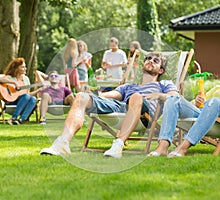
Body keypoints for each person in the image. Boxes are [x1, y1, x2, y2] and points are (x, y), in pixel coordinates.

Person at [40, 52, 179, 158]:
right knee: (82, 97)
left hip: (144, 114)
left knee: (136, 97)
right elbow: (109, 96)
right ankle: (62, 143)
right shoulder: (128, 86)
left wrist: (160, 95)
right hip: (121, 107)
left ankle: (118, 145)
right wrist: (93, 95)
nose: (150, 61)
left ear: (161, 70)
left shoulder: (164, 84)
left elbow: (175, 97)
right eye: (148, 58)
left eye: (156, 60)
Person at [148, 56, 220, 157]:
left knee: (215, 101)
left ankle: (183, 147)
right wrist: (197, 102)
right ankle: (163, 146)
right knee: (173, 98)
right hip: (204, 115)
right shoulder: (218, 88)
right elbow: (200, 104)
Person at [0, 58, 41, 125]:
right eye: (22, 67)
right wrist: (14, 83)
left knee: (33, 99)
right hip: (11, 101)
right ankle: (14, 118)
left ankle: (21, 120)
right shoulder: (10, 77)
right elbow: (0, 79)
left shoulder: (26, 79)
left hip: (23, 101)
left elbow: (28, 94)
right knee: (26, 96)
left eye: (25, 67)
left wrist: (39, 90)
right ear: (16, 68)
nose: (25, 68)